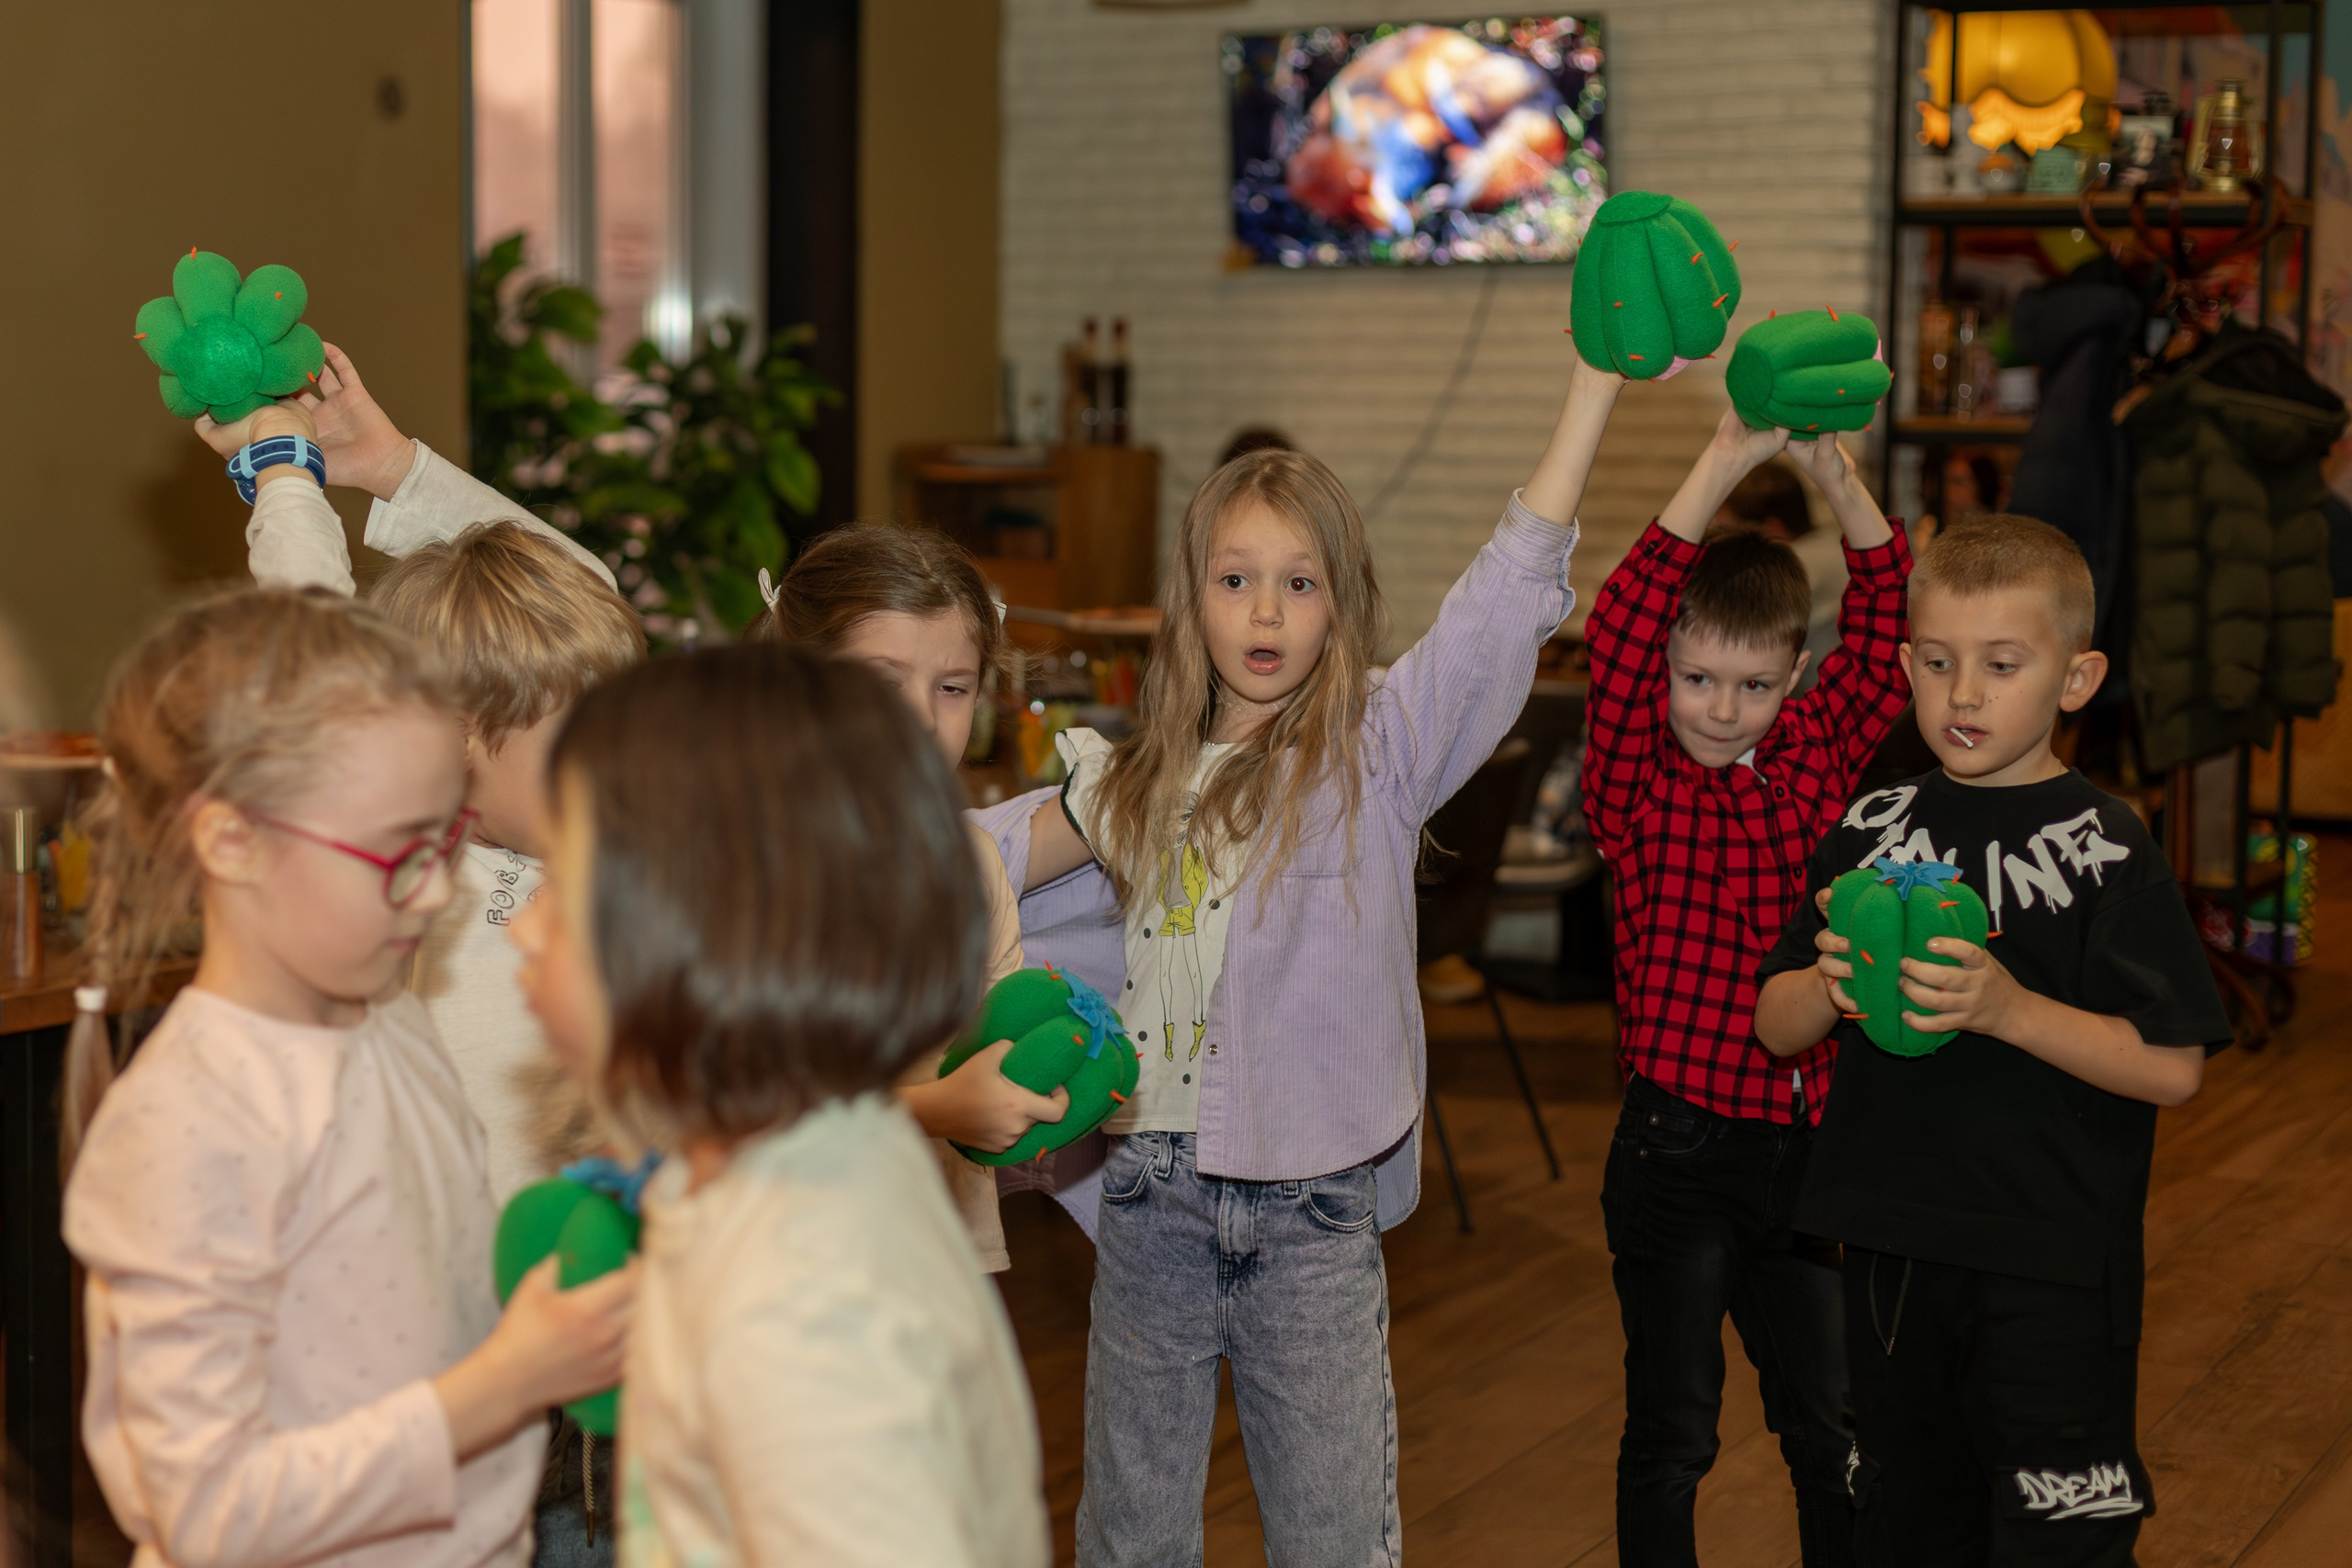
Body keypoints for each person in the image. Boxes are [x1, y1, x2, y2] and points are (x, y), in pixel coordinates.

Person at [1019, 353, 1623, 1564]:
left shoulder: (1381, 749)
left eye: (1298, 584)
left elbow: (1503, 602)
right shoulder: (1125, 779)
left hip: (1311, 1212)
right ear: (1188, 599)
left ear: (1340, 604)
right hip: (1149, 1202)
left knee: (1334, 1536)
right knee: (1130, 1533)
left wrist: (1595, 388)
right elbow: (972, 873)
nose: (1263, 611)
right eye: (1235, 579)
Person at [63, 587, 633, 1568]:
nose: (442, 888)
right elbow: (211, 1513)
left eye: (448, 836)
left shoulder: (391, 1019)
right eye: (400, 852)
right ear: (231, 839)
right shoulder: (188, 1124)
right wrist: (503, 1382)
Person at [200, 353, 648, 1565]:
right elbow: (315, 649)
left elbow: (584, 593)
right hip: (441, 1345)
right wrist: (284, 481)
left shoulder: (596, 842)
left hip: (594, 1341)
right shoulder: (404, 881)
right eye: (571, 737)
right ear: (453, 739)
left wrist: (394, 470)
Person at [1753, 513, 2230, 1566]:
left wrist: (2008, 1010)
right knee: (1906, 1517)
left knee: (2060, 1533)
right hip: (1889, 1252)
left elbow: (2172, 1067)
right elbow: (1773, 1022)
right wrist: (1831, 979)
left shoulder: (2110, 846)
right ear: (1904, 662)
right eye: (1936, 663)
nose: (1962, 695)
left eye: (2001, 664)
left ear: (2075, 676)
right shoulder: (1870, 828)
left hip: (2052, 1257)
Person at [509, 643, 1048, 1566]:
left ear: (701, 938)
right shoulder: (815, 1149)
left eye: (561, 881)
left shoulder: (804, 1313)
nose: (522, 923)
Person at [1579, 410, 1914, 1568]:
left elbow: (1890, 627)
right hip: (1674, 1155)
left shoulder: (1816, 752)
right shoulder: (1637, 783)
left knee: (1833, 1431)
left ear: (1794, 679)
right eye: (1697, 678)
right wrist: (1726, 457)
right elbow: (1617, 630)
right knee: (1673, 1435)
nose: (1720, 709)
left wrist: (1832, 474)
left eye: (1753, 685)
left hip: (1805, 1154)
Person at [750, 527, 1069, 1270]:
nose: (923, 718)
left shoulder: (973, 865)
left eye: (952, 687)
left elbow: (999, 1027)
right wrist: (943, 1107)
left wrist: (1056, 1066)